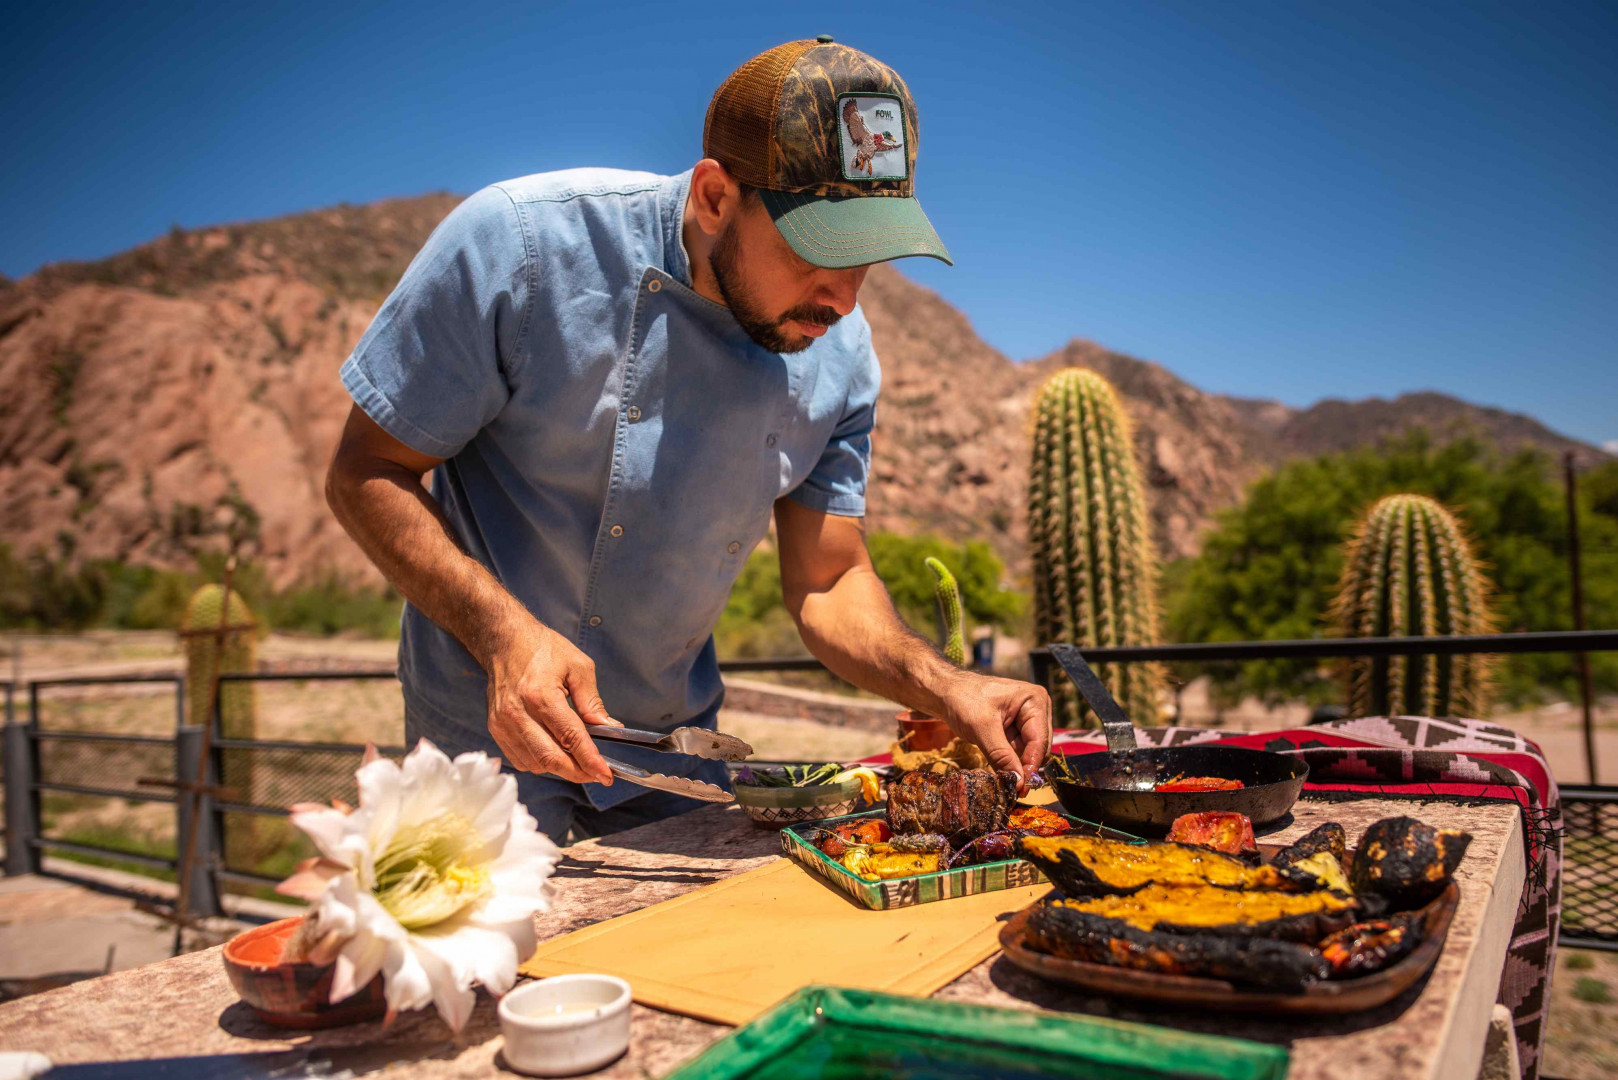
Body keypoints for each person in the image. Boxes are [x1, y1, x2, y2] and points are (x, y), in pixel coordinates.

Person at [326, 36, 1052, 842]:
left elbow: (828, 579)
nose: (844, 298)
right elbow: (365, 472)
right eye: (822, 250)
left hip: (681, 759)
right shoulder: (521, 247)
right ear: (714, 196)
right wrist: (504, 634)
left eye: (870, 258)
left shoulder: (843, 354)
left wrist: (944, 686)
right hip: (486, 750)